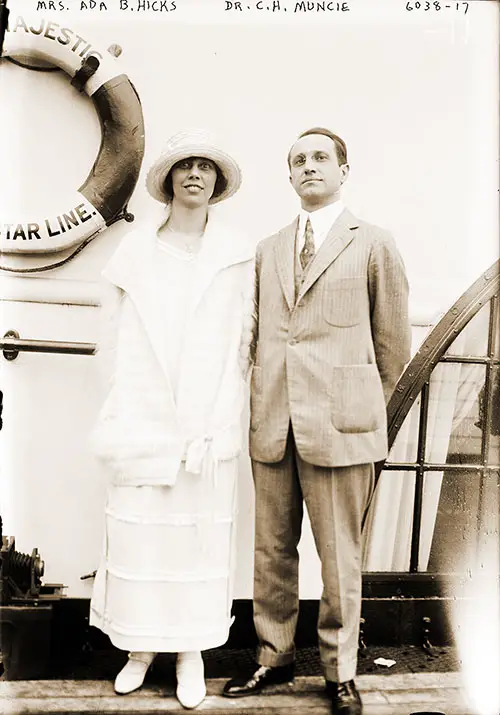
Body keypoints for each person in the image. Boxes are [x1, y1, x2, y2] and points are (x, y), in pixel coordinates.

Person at [223, 127, 411, 714]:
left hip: (342, 429)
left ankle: (339, 672)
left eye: (320, 158)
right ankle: (273, 659)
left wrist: (365, 422)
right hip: (273, 422)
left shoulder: (373, 243)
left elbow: (394, 351)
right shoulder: (267, 248)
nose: (309, 167)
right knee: (271, 551)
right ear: (290, 176)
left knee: (340, 557)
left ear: (343, 169)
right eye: (298, 160)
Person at [89, 129, 254, 709]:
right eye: (184, 166)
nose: (194, 175)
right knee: (142, 538)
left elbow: (243, 343)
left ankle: (191, 654)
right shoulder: (134, 250)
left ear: (216, 182)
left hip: (205, 419)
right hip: (144, 418)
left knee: (196, 541)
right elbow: (110, 338)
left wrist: (220, 416)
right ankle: (139, 648)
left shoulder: (236, 255)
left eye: (205, 167)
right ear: (168, 180)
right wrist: (124, 406)